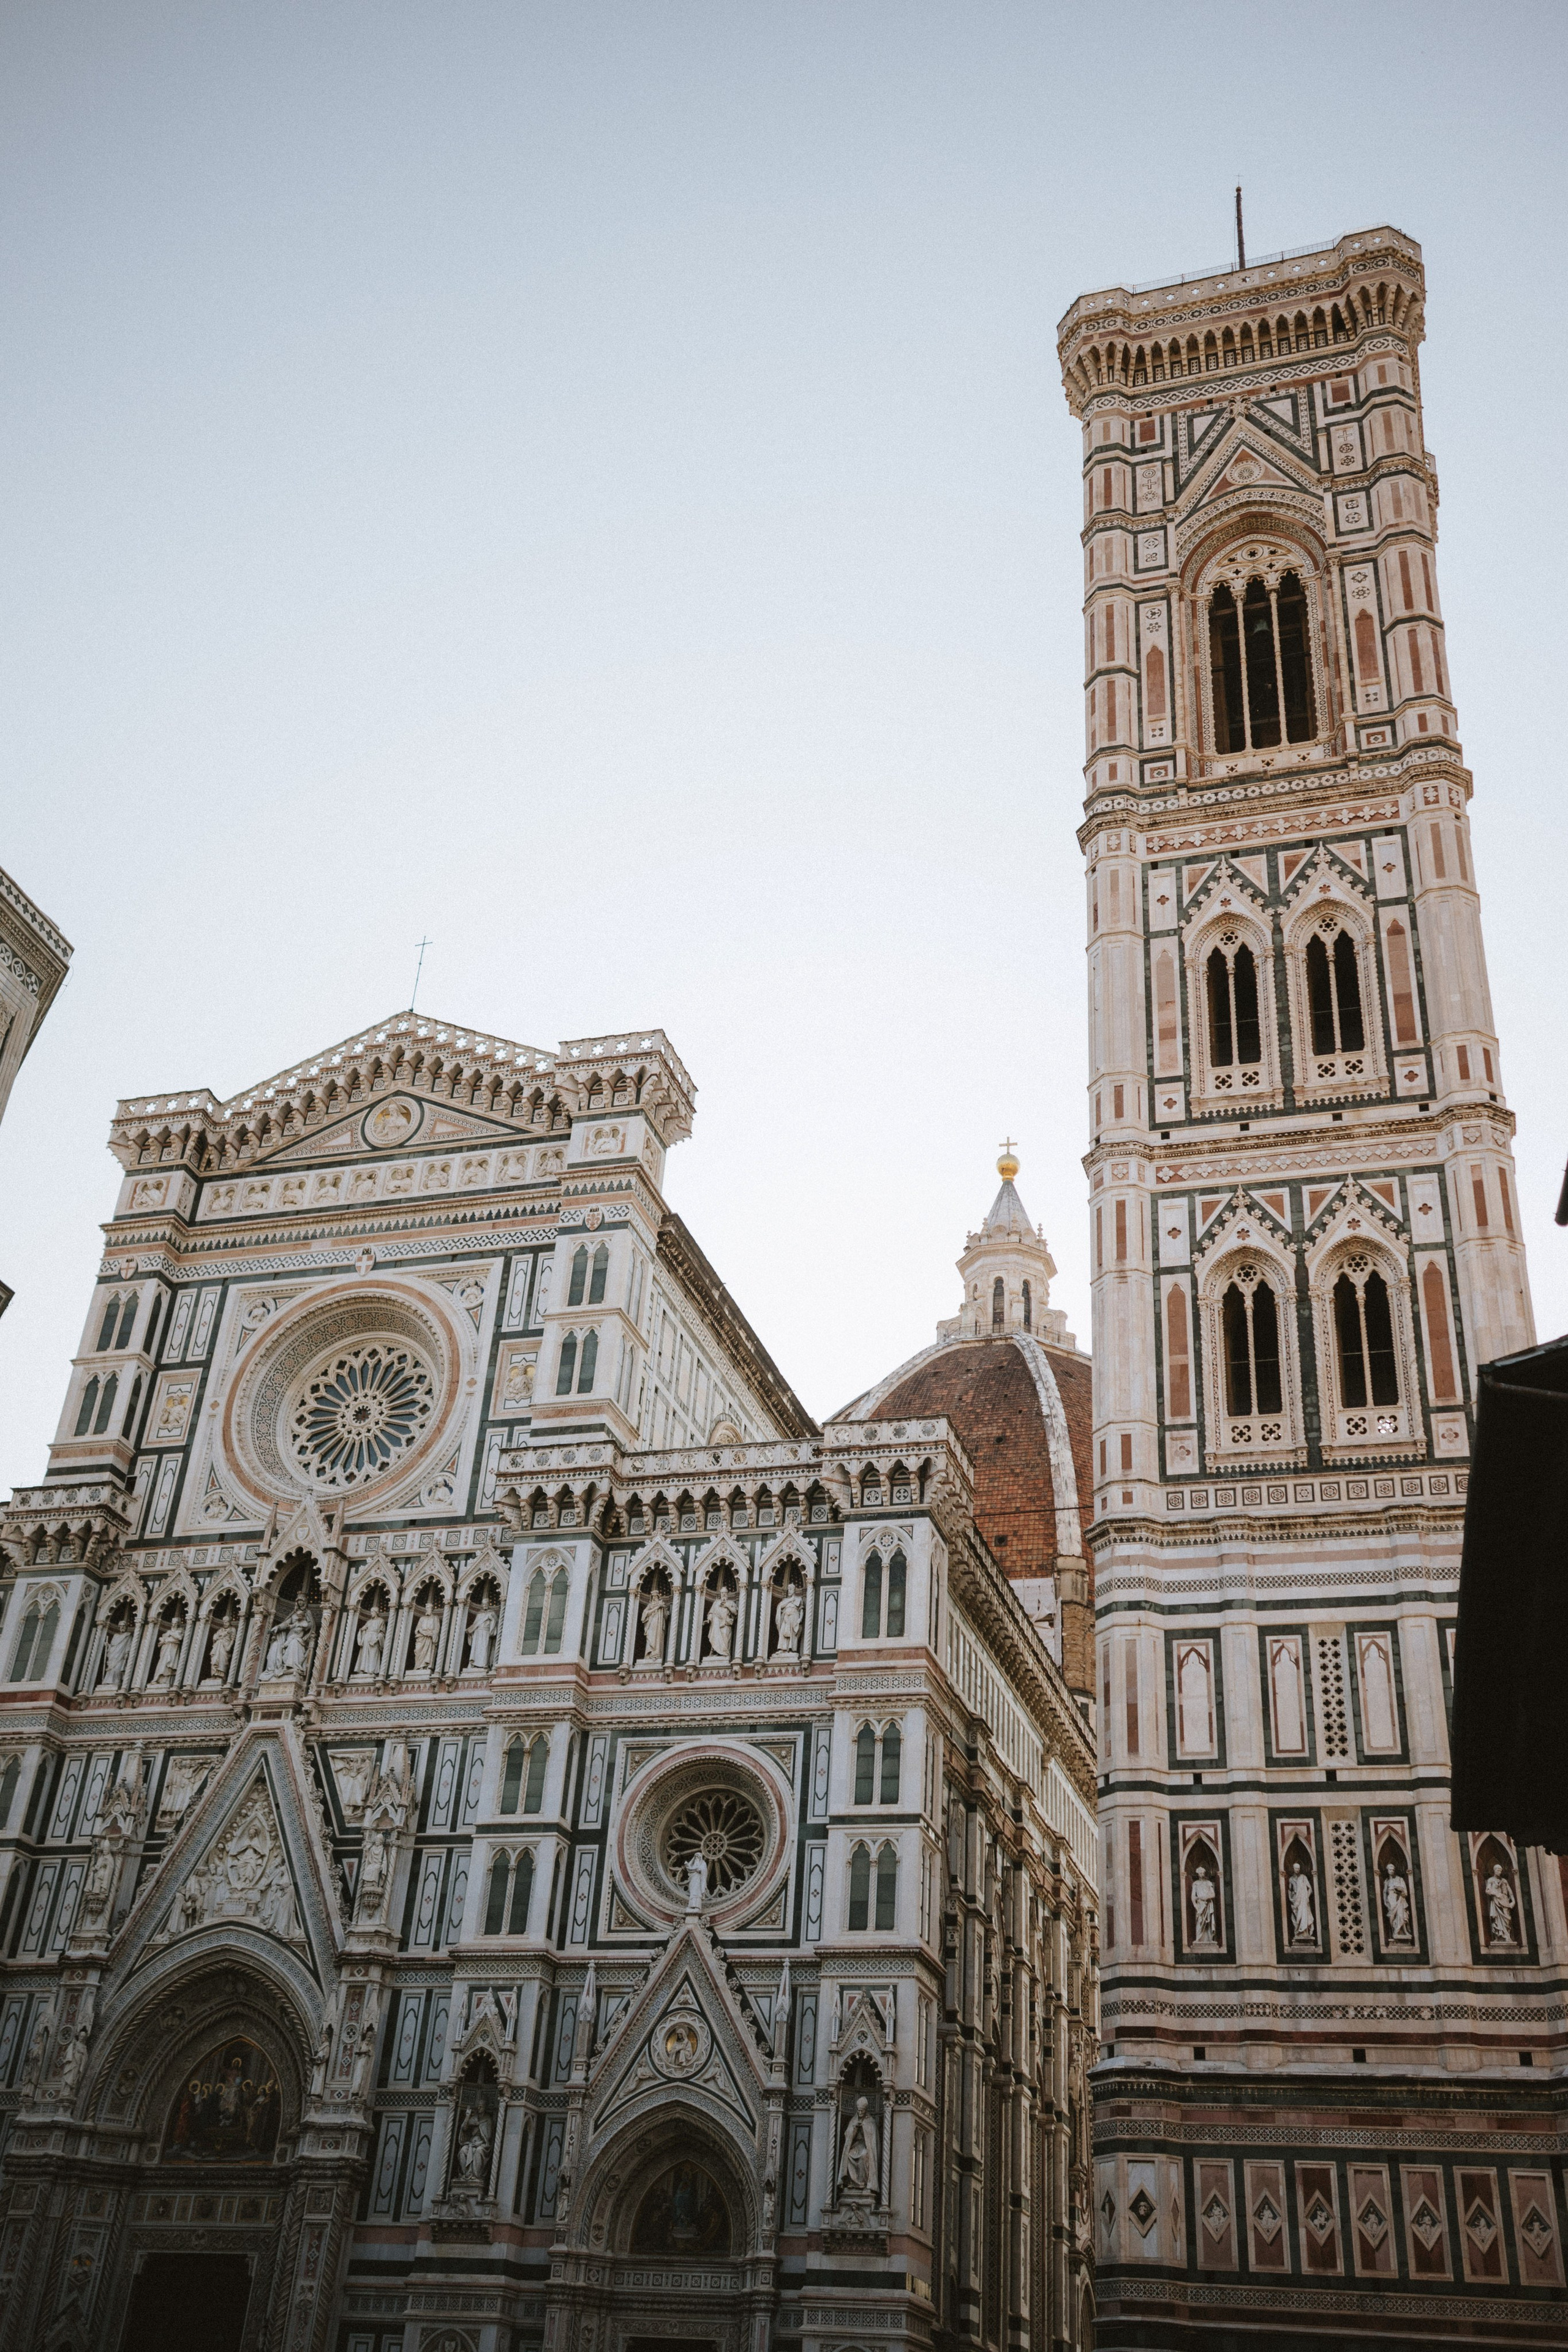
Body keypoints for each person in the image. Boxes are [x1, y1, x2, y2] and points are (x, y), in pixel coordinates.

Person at [837, 2094, 878, 2199]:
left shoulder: (870, 2121)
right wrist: (854, 2129)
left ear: (865, 2111)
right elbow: (848, 2135)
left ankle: (863, 2184)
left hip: (865, 2146)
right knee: (849, 2155)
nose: (860, 2113)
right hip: (856, 2145)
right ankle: (851, 2183)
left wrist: (864, 2129)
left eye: (862, 2111)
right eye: (859, 2111)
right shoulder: (853, 2120)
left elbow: (872, 2139)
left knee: (864, 2156)